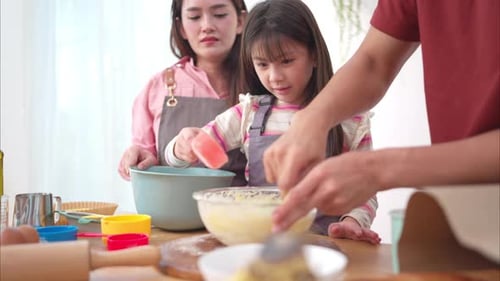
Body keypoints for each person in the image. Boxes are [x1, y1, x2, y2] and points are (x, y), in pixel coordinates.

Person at [264, 0, 500, 233]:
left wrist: (377, 169)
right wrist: (311, 119)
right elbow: (374, 62)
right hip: (463, 212)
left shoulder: (356, 130)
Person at [165, 0, 381, 244]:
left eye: (287, 61)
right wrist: (180, 148)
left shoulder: (350, 121)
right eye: (262, 64)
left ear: (314, 56)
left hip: (324, 247)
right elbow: (182, 156)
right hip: (259, 244)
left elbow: (366, 190)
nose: (275, 77)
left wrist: (353, 222)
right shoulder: (248, 112)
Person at [117, 0, 248, 186]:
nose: (207, 26)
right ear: (181, 28)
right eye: (194, 17)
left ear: (241, 21)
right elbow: (144, 159)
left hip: (243, 212)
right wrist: (139, 158)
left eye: (219, 14)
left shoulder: (263, 84)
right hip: (172, 211)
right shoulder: (157, 87)